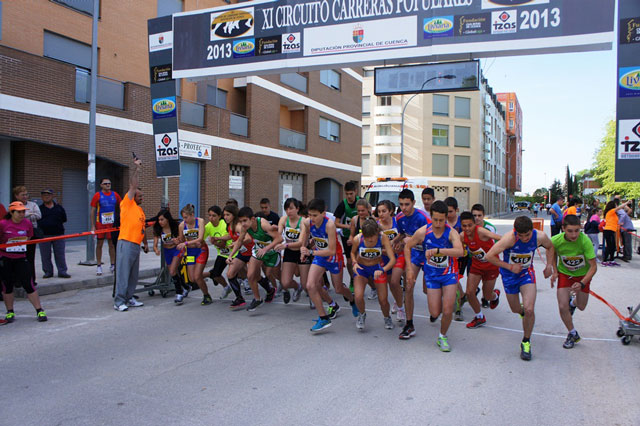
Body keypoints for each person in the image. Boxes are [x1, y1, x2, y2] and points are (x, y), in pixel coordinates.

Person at [486, 215, 554, 361]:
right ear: (515, 231)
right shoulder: (509, 238)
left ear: (532, 230)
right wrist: (509, 266)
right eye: (520, 235)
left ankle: (526, 341)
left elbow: (550, 247)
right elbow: (489, 256)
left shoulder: (540, 237)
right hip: (509, 276)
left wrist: (549, 265)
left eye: (527, 235)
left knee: (529, 309)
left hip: (526, 274)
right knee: (516, 309)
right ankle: (521, 311)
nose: (524, 238)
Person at [405, 201, 464, 352]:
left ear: (446, 219)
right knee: (434, 312)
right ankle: (443, 304)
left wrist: (440, 250)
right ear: (430, 217)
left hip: (449, 274)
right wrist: (410, 270)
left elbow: (460, 252)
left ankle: (442, 336)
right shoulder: (423, 232)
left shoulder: (451, 232)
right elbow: (407, 246)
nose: (438, 223)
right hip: (431, 275)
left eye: (442, 220)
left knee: (448, 308)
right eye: (435, 220)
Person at [300, 198, 358, 332]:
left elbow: (331, 250)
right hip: (320, 256)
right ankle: (324, 318)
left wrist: (310, 251)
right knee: (310, 285)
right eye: (310, 215)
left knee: (338, 289)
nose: (312, 218)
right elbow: (306, 234)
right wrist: (303, 249)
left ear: (323, 213)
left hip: (333, 257)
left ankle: (352, 300)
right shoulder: (307, 222)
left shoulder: (329, 225)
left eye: (315, 215)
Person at [550, 214, 598, 349]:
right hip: (565, 275)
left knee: (582, 306)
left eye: (577, 230)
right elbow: (551, 253)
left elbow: (594, 267)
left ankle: (574, 302)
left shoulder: (585, 241)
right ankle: (572, 333)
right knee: (562, 306)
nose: (574, 234)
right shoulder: (555, 240)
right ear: (563, 228)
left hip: (583, 276)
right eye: (570, 231)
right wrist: (555, 271)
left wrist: (582, 283)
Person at [393, 189, 431, 340]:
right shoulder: (399, 217)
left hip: (429, 255)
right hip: (414, 255)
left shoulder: (424, 218)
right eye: (401, 204)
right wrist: (395, 241)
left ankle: (440, 305)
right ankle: (409, 324)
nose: (404, 208)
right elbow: (403, 234)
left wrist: (413, 240)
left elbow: (432, 237)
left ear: (414, 203)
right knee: (408, 286)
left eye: (407, 204)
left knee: (427, 290)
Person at [0, 202, 47, 322]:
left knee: (29, 284)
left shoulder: (27, 223)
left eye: (23, 211)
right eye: (19, 212)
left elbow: (29, 237)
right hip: (5, 258)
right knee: (7, 285)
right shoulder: (3, 224)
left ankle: (39, 310)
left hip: (21, 258)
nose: (22, 214)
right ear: (11, 213)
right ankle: (10, 312)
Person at [113, 158, 148, 312]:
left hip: (136, 244)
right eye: (140, 196)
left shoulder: (140, 211)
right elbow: (133, 185)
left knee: (133, 274)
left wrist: (145, 243)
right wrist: (137, 169)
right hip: (125, 242)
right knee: (123, 273)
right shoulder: (126, 204)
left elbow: (142, 228)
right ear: (133, 196)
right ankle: (119, 301)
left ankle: (129, 297)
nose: (142, 198)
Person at [231, 207, 280, 311]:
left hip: (271, 250)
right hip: (259, 250)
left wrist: (266, 249)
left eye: (245, 220)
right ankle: (257, 299)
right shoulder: (245, 227)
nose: (243, 224)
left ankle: (283, 289)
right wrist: (231, 255)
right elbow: (239, 241)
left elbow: (279, 238)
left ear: (252, 219)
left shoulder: (263, 224)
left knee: (274, 275)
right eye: (241, 221)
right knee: (250, 275)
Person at [351, 218, 396, 331]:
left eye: (372, 239)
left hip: (377, 268)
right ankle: (362, 314)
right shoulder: (357, 239)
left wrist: (383, 269)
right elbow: (352, 252)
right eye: (367, 239)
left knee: (383, 300)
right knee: (358, 296)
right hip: (362, 268)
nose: (370, 241)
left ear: (377, 232)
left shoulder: (383, 237)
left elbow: (392, 260)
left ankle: (387, 317)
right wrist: (354, 263)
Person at [459, 212, 502, 329]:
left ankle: (495, 296)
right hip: (476, 266)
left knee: (487, 296)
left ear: (475, 224)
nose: (467, 229)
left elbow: (500, 238)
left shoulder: (481, 232)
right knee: (469, 292)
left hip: (491, 266)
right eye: (464, 226)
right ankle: (479, 317)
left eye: (470, 225)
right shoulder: (462, 236)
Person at [376, 200, 406, 322]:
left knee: (394, 282)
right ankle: (398, 300)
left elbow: (404, 234)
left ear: (391, 211)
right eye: (379, 211)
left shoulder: (397, 222)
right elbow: (374, 244)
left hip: (399, 255)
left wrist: (400, 242)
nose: (381, 214)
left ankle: (401, 308)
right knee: (391, 284)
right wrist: (385, 250)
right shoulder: (376, 226)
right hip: (384, 257)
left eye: (384, 211)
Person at [177, 204, 212, 306]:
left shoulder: (200, 221)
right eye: (183, 217)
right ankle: (211, 274)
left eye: (186, 217)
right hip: (191, 252)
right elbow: (182, 240)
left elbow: (201, 238)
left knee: (197, 276)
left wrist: (187, 243)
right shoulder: (182, 225)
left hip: (201, 250)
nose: (185, 220)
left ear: (192, 214)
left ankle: (206, 295)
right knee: (192, 278)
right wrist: (177, 242)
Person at [275, 198, 307, 304]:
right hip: (289, 251)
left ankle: (312, 296)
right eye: (286, 209)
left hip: (302, 252)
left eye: (291, 208)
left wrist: (285, 245)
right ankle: (297, 287)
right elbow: (278, 234)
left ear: (297, 209)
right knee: (285, 282)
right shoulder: (283, 220)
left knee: (305, 282)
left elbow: (301, 242)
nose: (289, 211)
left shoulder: (303, 222)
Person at [152, 209, 187, 305]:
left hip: (176, 249)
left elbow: (182, 239)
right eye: (159, 220)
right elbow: (155, 244)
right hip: (167, 251)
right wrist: (156, 250)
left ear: (167, 219)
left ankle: (179, 294)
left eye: (162, 219)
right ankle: (184, 287)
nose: (160, 222)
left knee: (172, 271)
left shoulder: (175, 226)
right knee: (174, 272)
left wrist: (178, 240)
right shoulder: (158, 229)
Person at [91, 178, 122, 276]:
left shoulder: (115, 195)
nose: (108, 185)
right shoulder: (97, 195)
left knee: (111, 244)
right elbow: (92, 211)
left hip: (111, 223)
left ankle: (112, 264)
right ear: (101, 185)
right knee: (99, 244)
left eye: (109, 183)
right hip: (100, 223)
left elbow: (122, 206)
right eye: (105, 183)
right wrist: (93, 226)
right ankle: (99, 266)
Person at [224, 204, 252, 309]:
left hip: (252, 252)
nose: (225, 217)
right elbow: (233, 238)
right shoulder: (230, 226)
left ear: (233, 215)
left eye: (228, 214)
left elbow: (248, 238)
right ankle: (239, 298)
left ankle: (269, 290)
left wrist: (236, 243)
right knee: (230, 274)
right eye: (224, 215)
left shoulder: (238, 226)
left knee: (254, 276)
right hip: (242, 253)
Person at [38, 189, 70, 279]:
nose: (46, 196)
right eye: (44, 195)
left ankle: (62, 271)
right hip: (44, 236)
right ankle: (48, 272)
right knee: (45, 255)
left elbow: (64, 219)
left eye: (48, 194)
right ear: (42, 197)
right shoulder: (39, 209)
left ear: (52, 196)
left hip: (58, 234)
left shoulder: (59, 208)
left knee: (60, 254)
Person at [333, 181, 360, 287]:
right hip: (346, 236)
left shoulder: (361, 202)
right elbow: (336, 223)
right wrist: (349, 226)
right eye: (347, 194)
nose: (349, 196)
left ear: (356, 192)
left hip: (359, 236)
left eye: (351, 194)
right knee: (349, 261)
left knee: (360, 259)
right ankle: (353, 279)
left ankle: (363, 280)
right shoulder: (342, 205)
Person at [203, 205, 233, 299]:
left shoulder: (224, 224)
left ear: (219, 216)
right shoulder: (208, 226)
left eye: (214, 215)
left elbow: (223, 244)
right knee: (216, 274)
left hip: (233, 252)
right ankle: (226, 287)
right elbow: (201, 238)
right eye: (209, 215)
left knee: (240, 274)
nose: (211, 218)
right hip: (222, 254)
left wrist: (214, 242)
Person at [13, 186, 41, 287]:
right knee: (17, 258)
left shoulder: (33, 204)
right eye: (22, 195)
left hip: (31, 234)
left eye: (26, 194)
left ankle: (31, 279)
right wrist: (29, 214)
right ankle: (17, 281)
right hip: (17, 235)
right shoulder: (13, 205)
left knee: (30, 257)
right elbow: (14, 218)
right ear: (16, 196)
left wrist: (23, 216)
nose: (25, 196)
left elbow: (38, 216)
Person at [444, 196, 466, 322]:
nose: (448, 214)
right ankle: (458, 308)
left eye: (451, 212)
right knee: (454, 281)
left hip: (462, 256)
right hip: (448, 258)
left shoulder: (461, 223)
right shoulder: (443, 222)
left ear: (457, 210)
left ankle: (462, 296)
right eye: (446, 212)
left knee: (457, 282)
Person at [602, 199, 630, 266]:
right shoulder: (611, 211)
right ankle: (605, 260)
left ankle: (612, 260)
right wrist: (626, 203)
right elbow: (619, 207)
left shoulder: (613, 214)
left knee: (613, 246)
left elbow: (613, 221)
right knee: (609, 246)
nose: (616, 206)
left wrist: (619, 224)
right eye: (615, 205)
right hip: (608, 230)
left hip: (612, 230)